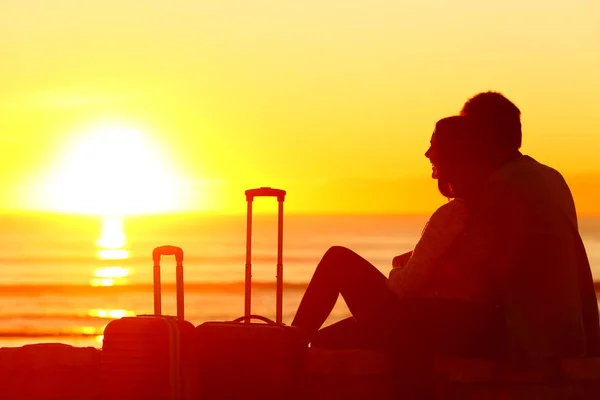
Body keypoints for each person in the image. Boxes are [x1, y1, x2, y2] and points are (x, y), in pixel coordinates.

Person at [291, 116, 499, 356]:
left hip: (417, 325)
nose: (427, 153)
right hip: (448, 326)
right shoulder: (483, 210)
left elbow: (406, 287)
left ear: (452, 154)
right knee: (324, 339)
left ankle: (286, 346)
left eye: (434, 145)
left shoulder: (454, 213)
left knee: (337, 260)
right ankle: (295, 343)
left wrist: (398, 270)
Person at [456, 91, 600, 363]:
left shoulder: (499, 186)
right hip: (571, 336)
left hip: (527, 342)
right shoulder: (550, 177)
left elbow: (474, 273)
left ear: (481, 137)